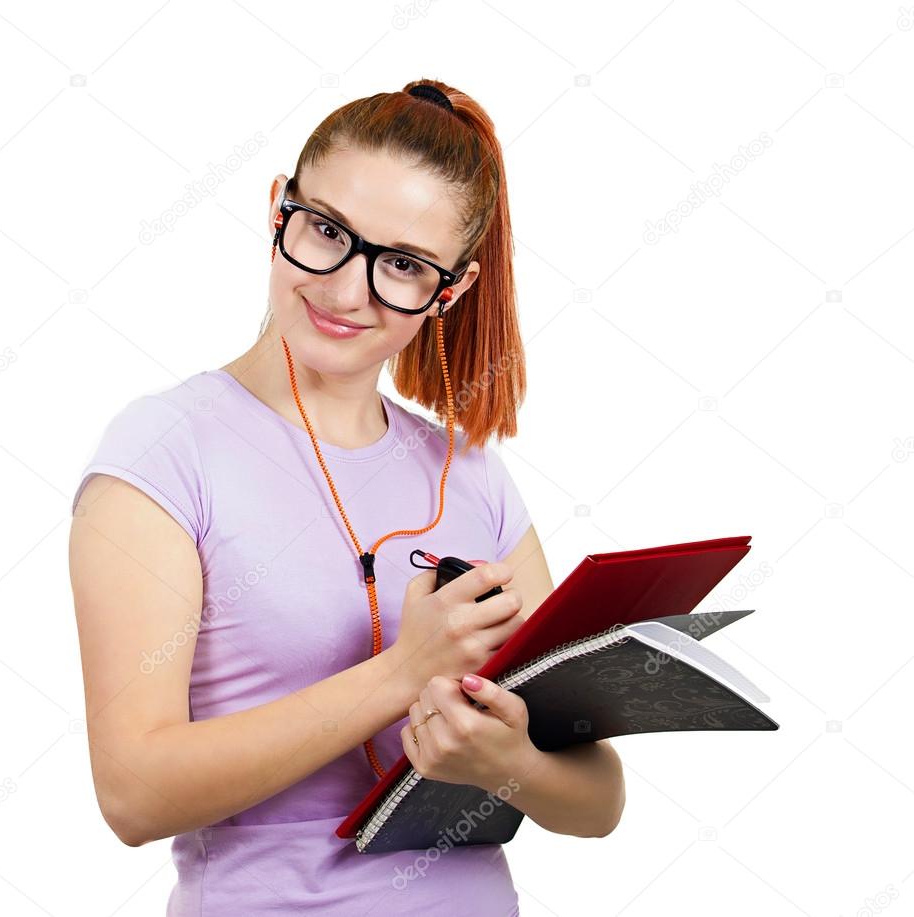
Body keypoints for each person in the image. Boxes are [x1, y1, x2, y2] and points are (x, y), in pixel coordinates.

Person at [69, 78, 616, 916]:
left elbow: (597, 799)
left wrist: (502, 763)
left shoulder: (471, 476)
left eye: (401, 264)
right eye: (326, 230)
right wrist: (405, 672)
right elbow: (132, 793)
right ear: (277, 207)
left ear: (452, 289)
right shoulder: (166, 453)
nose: (345, 289)